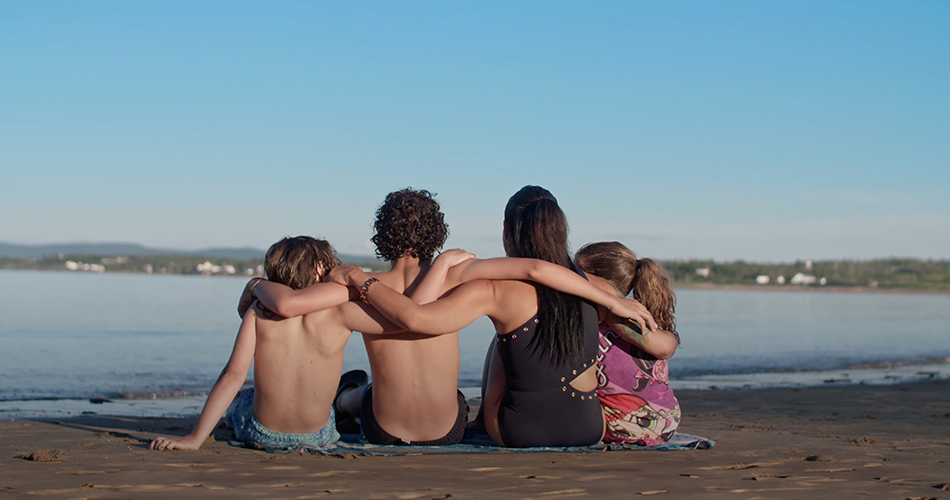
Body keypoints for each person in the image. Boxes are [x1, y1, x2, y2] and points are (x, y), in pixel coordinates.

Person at [328, 186, 658, 448]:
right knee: (505, 345)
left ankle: (343, 400)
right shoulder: (589, 286)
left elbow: (414, 319)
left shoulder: (490, 289)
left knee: (505, 336)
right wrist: (615, 303)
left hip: (505, 429)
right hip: (584, 427)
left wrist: (356, 278)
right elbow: (537, 269)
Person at [150, 236, 413, 452]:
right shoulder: (342, 312)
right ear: (321, 268)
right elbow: (398, 322)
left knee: (242, 399)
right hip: (319, 436)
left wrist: (195, 438)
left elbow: (232, 375)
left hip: (265, 434)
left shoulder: (259, 310)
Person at [575, 241, 681, 446]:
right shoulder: (642, 319)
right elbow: (667, 346)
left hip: (620, 426)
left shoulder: (593, 328)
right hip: (668, 421)